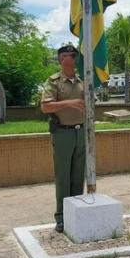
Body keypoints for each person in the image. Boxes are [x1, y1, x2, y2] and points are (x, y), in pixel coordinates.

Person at [40, 45, 86, 233]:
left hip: (81, 132)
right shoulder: (54, 82)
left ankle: (77, 212)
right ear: (62, 59)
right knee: (63, 177)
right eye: (71, 55)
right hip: (63, 133)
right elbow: (45, 107)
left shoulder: (83, 80)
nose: (75, 58)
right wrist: (70, 103)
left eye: (75, 55)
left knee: (78, 176)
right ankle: (61, 217)